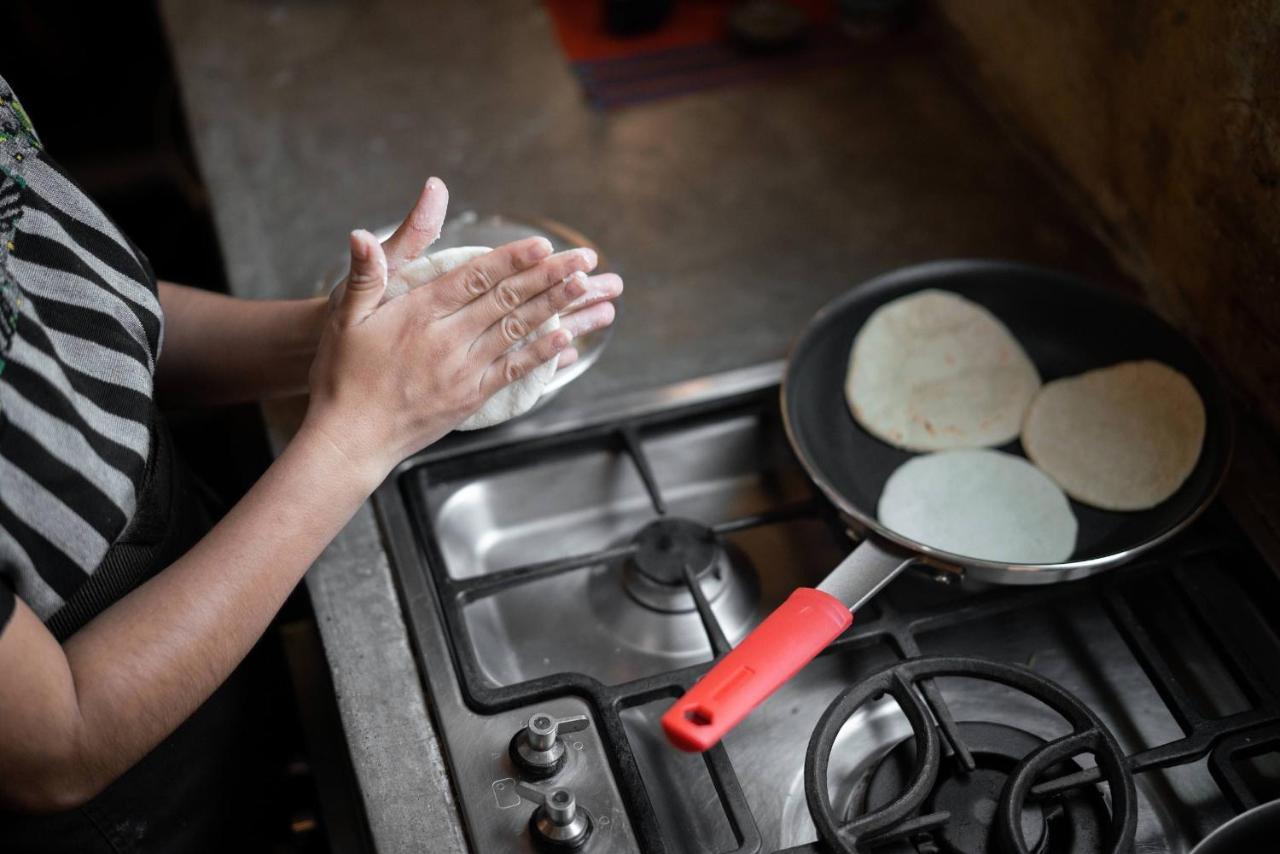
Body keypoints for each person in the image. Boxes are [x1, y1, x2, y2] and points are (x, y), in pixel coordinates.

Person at [0, 75, 621, 851]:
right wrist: (361, 433)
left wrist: (335, 338)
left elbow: (64, 310)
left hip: (188, 572)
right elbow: (54, 748)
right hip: (111, 795)